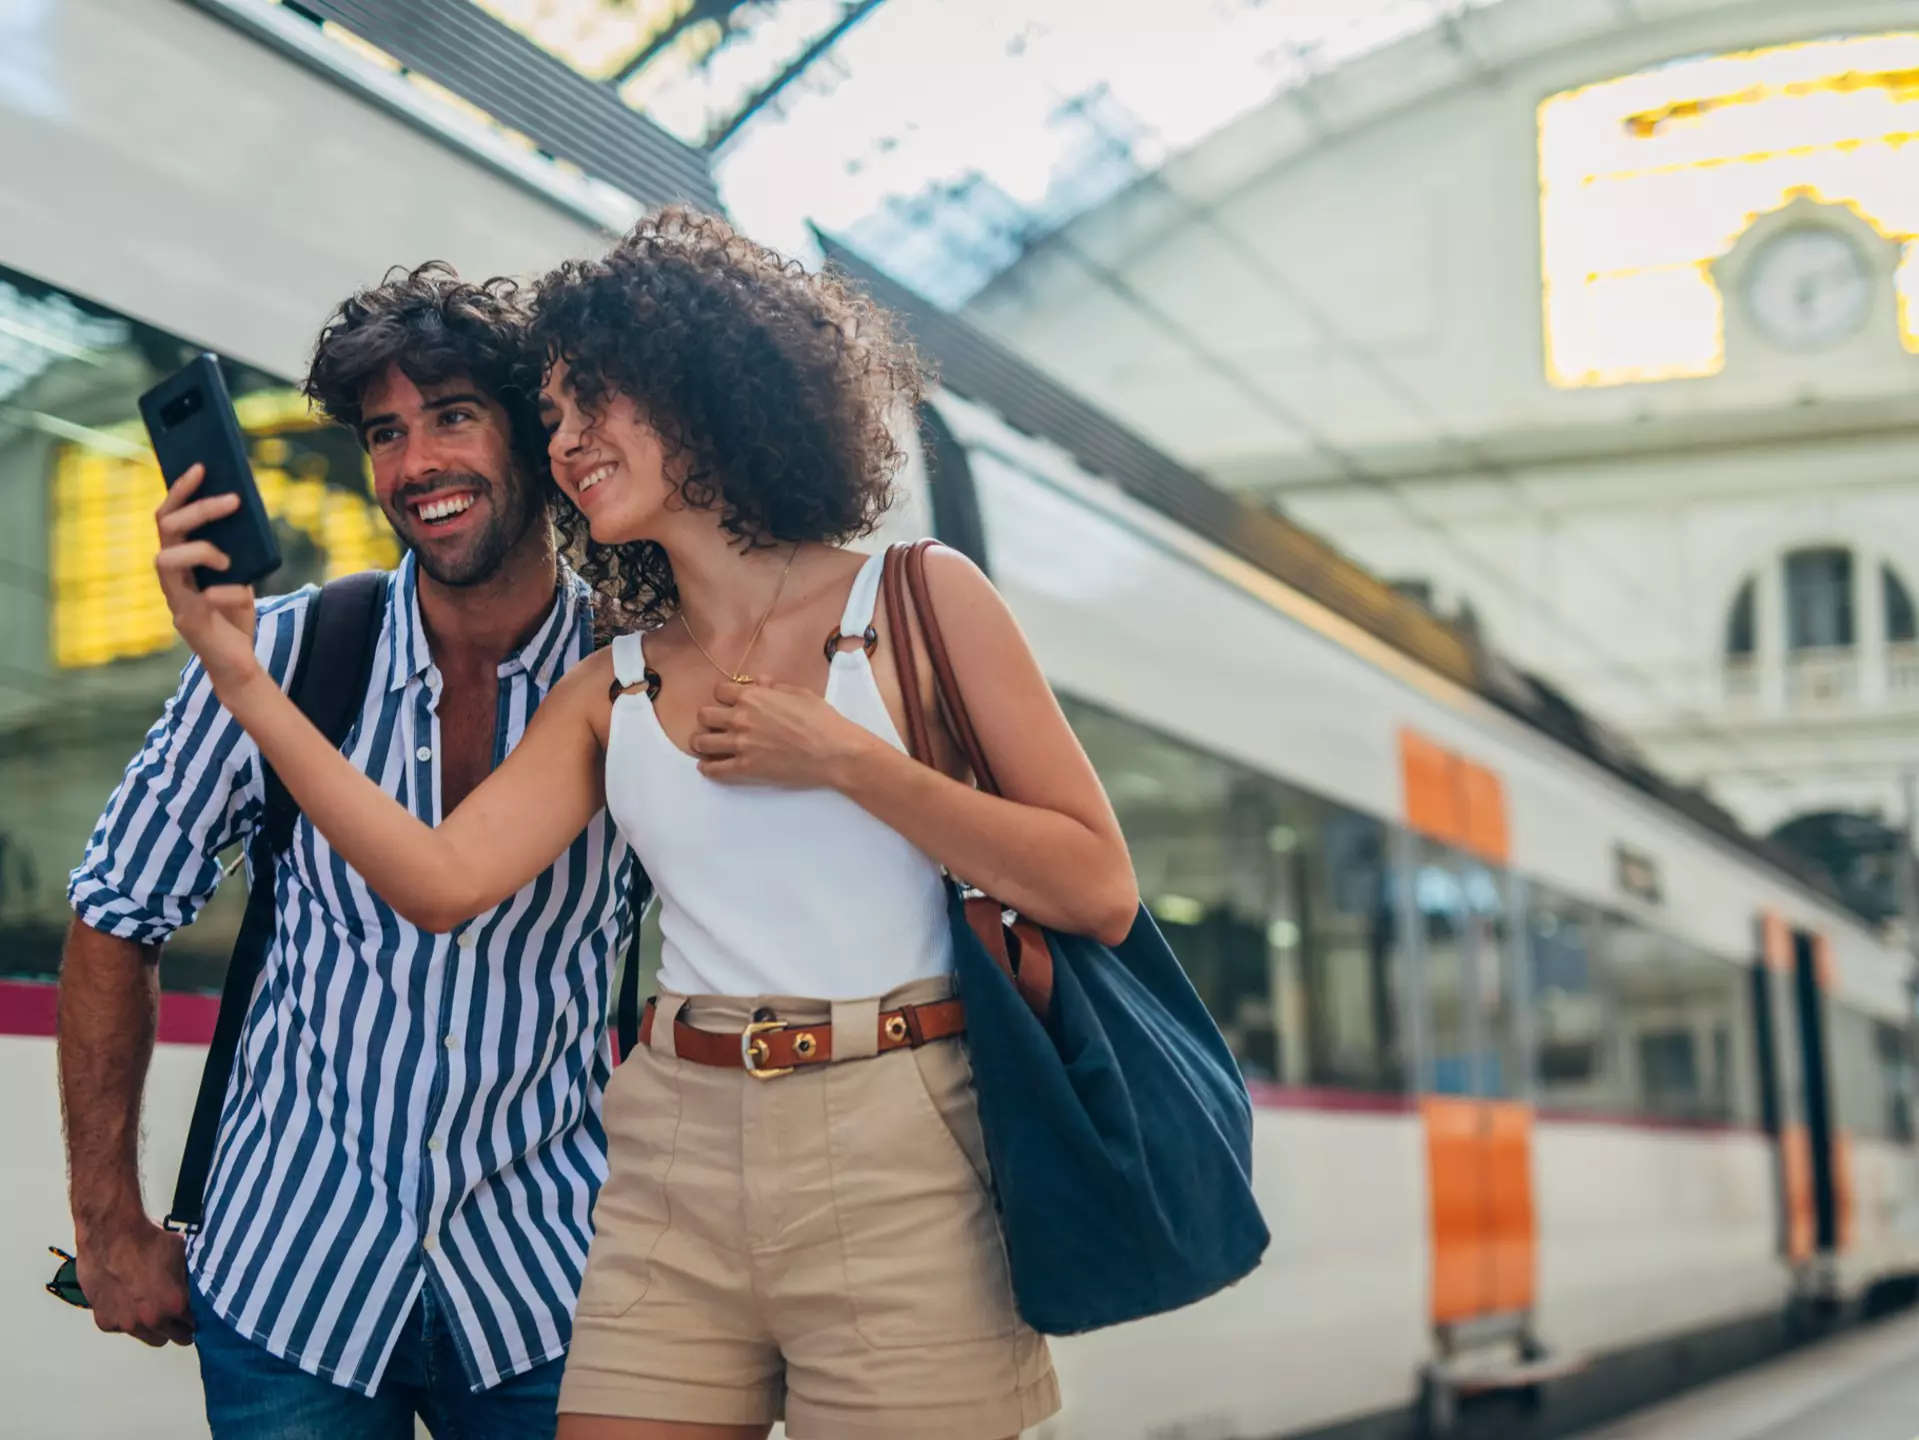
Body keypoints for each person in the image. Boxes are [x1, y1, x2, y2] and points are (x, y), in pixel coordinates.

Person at [151, 207, 1140, 1440]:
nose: (565, 445)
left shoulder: (923, 597)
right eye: (555, 416)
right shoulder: (614, 684)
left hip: (896, 1129)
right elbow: (445, 880)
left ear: (701, 390)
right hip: (674, 1139)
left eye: (592, 405)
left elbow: (1096, 887)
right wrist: (242, 682)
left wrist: (843, 758)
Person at [61, 265, 638, 1439]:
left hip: (552, 1293)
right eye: (385, 432)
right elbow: (116, 909)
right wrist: (109, 1223)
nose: (416, 462)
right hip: (292, 1290)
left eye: (452, 415)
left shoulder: (638, 677)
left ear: (535, 431)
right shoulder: (278, 651)